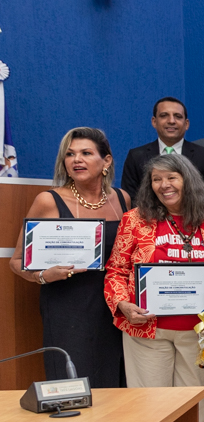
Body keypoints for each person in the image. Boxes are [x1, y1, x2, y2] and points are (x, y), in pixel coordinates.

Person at [104, 153, 204, 422]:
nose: (164, 185)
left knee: (193, 410)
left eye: (172, 178)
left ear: (188, 180)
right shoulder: (135, 220)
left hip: (199, 333)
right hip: (146, 331)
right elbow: (116, 271)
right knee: (147, 408)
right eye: (157, 180)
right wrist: (124, 304)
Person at [9, 128, 129, 388]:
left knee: (115, 385)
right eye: (70, 154)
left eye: (86, 153)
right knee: (73, 384)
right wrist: (43, 275)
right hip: (67, 307)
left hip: (114, 308)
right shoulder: (48, 200)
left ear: (106, 161)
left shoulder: (122, 199)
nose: (77, 160)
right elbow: (16, 261)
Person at [120, 98, 204, 199]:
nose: (171, 121)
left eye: (177, 116)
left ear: (186, 124)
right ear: (154, 121)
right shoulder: (136, 156)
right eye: (164, 116)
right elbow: (130, 197)